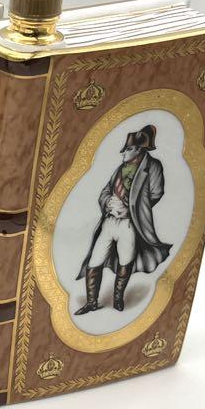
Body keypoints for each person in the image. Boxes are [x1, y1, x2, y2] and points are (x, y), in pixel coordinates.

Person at [75, 124, 171, 314]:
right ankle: (92, 302)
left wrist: (129, 208)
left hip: (129, 224)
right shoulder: (120, 169)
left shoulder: (153, 167)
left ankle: (118, 299)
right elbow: (105, 192)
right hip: (109, 222)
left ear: (138, 149)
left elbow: (156, 193)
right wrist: (108, 203)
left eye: (127, 149)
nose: (123, 153)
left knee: (126, 261)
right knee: (94, 261)